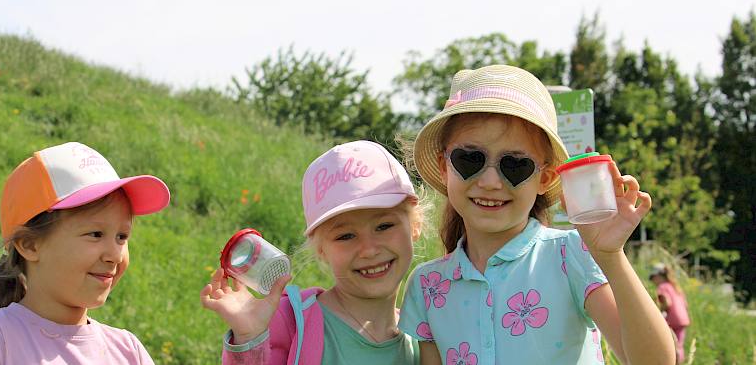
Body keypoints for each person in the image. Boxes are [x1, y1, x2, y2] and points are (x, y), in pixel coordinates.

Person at [398, 65, 675, 364]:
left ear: (544, 178)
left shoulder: (569, 256)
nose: (490, 182)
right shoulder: (427, 285)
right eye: (469, 159)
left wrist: (610, 256)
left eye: (515, 165)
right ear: (444, 167)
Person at [201, 140, 424, 364]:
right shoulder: (290, 322)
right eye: (345, 236)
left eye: (384, 226)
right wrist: (250, 339)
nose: (369, 249)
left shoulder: (426, 339)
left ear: (415, 224)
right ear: (320, 249)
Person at [0, 142, 170, 364]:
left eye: (122, 237)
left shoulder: (128, 350)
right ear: (30, 245)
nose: (114, 255)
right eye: (95, 234)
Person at [650, 263, 690, 364]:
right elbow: (685, 304)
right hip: (683, 319)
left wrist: (658, 310)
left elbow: (667, 302)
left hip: (672, 320)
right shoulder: (675, 286)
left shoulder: (662, 287)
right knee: (679, 345)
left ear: (659, 276)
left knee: (670, 345)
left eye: (653, 278)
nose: (653, 281)